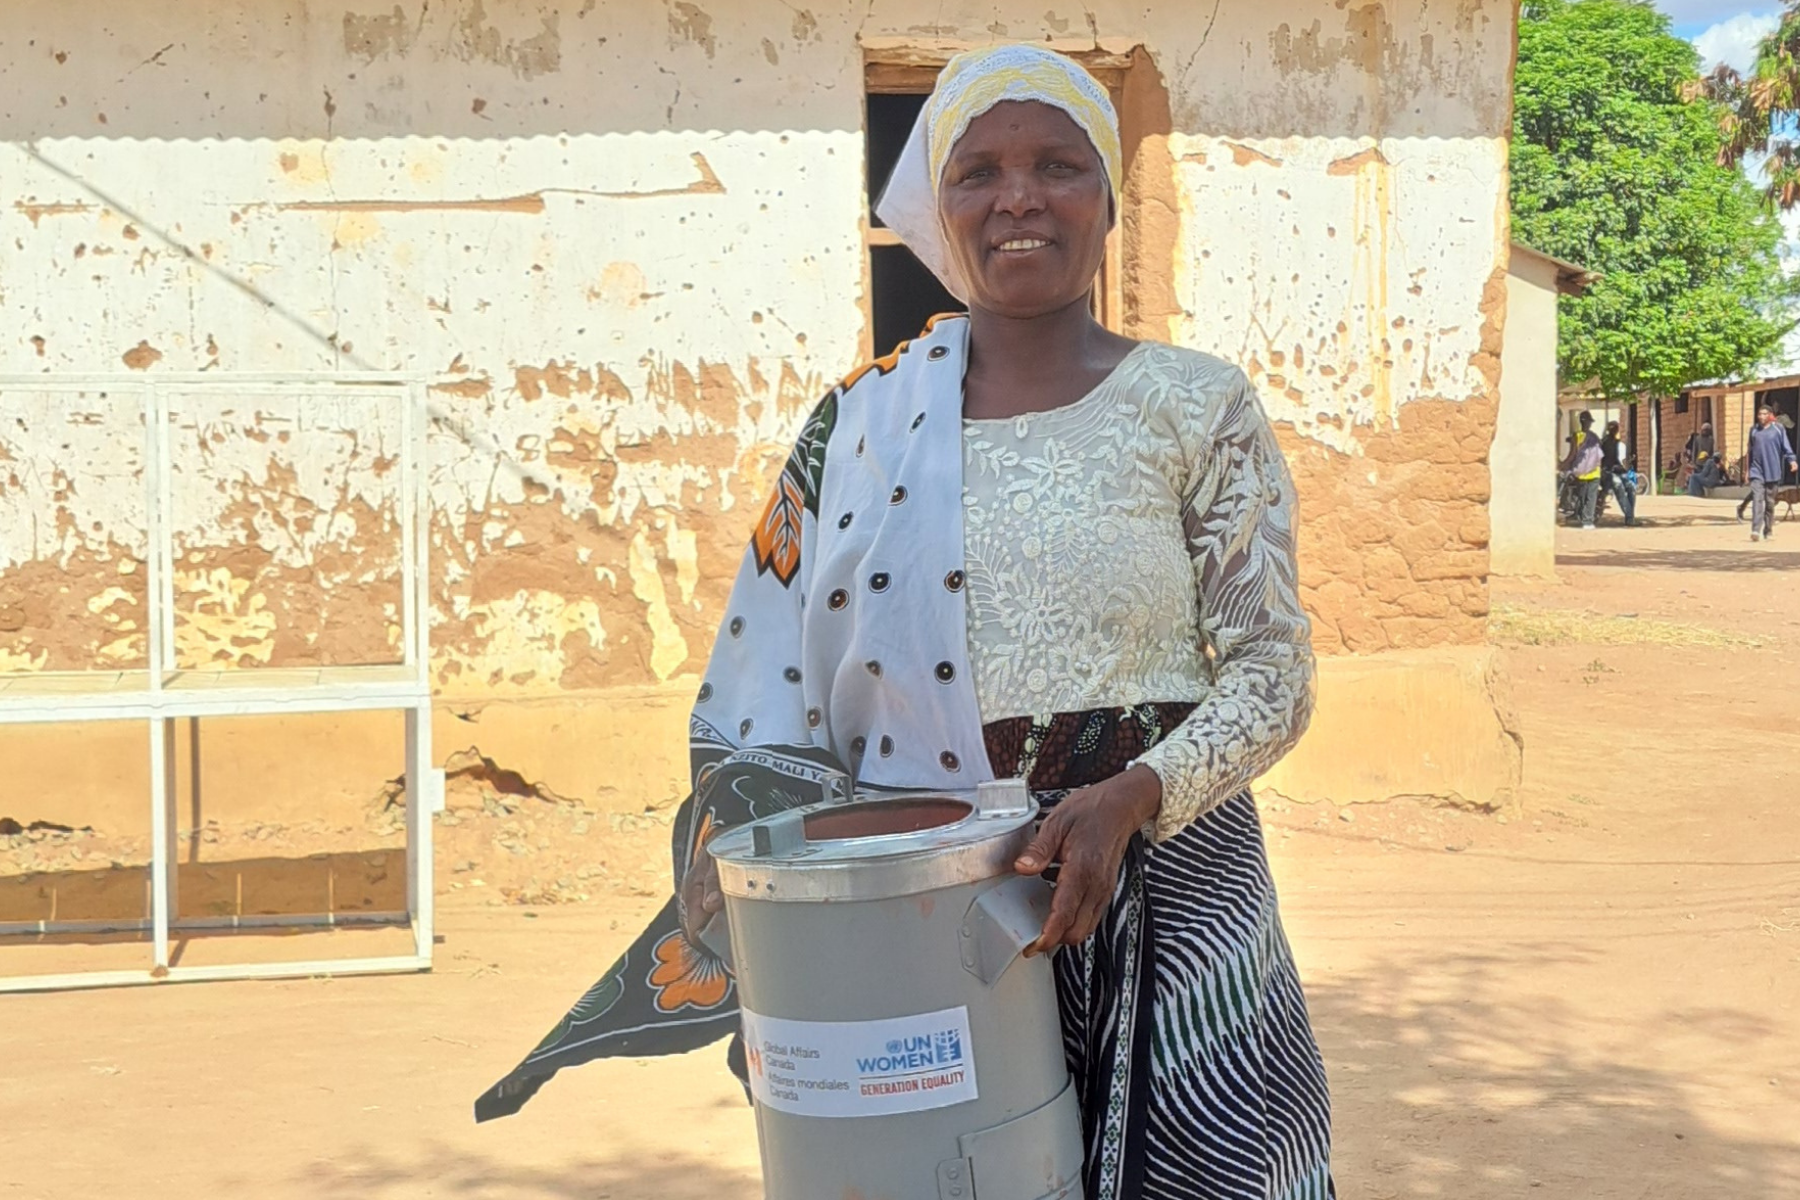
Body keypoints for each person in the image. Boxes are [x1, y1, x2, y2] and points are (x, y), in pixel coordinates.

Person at [477, 44, 1335, 1198]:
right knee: (943, 1173)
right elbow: (766, 687)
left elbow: (1272, 669)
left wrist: (1136, 798)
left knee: (1216, 1169)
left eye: (1058, 165)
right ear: (939, 205)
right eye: (978, 170)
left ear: (1110, 198)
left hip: (1174, 883)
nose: (1018, 196)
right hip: (923, 897)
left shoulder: (1197, 403)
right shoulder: (861, 428)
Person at [1747, 404, 1798, 542]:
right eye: (1759, 414)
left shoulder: (1778, 429)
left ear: (1770, 415)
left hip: (1773, 471)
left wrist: (1792, 461)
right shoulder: (1754, 431)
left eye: (1764, 414)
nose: (1762, 417)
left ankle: (1768, 529)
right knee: (1757, 499)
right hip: (1756, 471)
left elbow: (1786, 447)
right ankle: (1755, 530)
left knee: (1769, 502)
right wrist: (1747, 471)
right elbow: (1750, 453)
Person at [1560, 411, 1604, 528]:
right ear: (1590, 423)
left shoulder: (1577, 436)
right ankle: (1588, 521)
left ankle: (1581, 517)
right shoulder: (1595, 437)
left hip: (1582, 473)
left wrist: (1563, 464)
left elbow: (1573, 454)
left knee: (1582, 496)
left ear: (1580, 421)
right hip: (1595, 471)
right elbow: (1600, 454)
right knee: (1591, 497)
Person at [1600, 418, 1635, 525]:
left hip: (1617, 470)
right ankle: (1629, 518)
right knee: (1619, 489)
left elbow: (1618, 460)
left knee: (1631, 488)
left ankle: (1630, 515)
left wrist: (1624, 465)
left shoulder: (1616, 443)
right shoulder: (1604, 442)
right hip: (1608, 471)